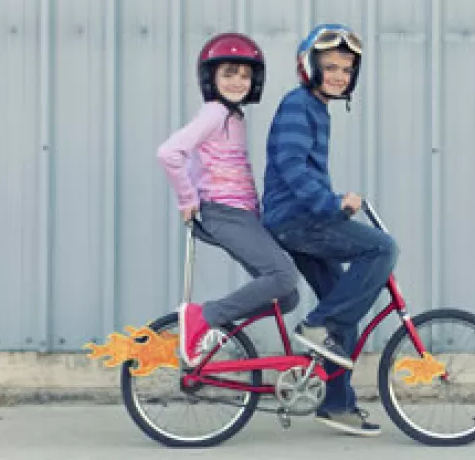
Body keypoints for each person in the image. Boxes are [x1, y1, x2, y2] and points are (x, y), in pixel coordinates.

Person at [261, 24, 399, 437]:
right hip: (295, 220)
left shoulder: (316, 108)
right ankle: (316, 326)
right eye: (331, 67)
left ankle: (337, 404)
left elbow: (307, 173)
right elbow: (292, 167)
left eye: (347, 69)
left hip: (304, 218)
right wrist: (332, 203)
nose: (340, 75)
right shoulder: (297, 105)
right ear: (309, 67)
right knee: (381, 250)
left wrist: (334, 204)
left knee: (343, 308)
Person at [157, 33, 300, 367]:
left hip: (244, 216)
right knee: (284, 276)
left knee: (287, 297)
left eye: (246, 75)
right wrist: (186, 198)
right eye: (229, 73)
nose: (238, 81)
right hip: (223, 212)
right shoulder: (214, 113)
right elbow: (169, 153)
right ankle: (205, 317)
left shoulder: (232, 116)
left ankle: (218, 332)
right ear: (211, 78)